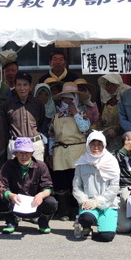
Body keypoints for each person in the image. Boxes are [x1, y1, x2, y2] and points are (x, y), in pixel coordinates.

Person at [0, 137, 58, 234]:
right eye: (20, 153)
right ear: (15, 154)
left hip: (35, 205)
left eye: (27, 152)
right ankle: (11, 220)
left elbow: (48, 187)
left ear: (32, 153)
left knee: (51, 202)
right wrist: (11, 195)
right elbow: (0, 185)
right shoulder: (8, 165)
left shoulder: (41, 166)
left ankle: (43, 221)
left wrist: (41, 195)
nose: (24, 156)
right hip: (15, 204)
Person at [48, 82, 90, 220]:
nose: (68, 101)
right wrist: (50, 153)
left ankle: (75, 209)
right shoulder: (56, 116)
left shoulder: (83, 114)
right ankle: (64, 210)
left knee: (76, 181)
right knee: (61, 182)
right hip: (60, 152)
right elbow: (52, 136)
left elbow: (84, 128)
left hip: (77, 151)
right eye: (65, 99)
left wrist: (75, 113)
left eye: (71, 98)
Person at [72, 131, 120, 242]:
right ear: (88, 145)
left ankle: (102, 226)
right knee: (86, 218)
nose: (96, 147)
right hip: (88, 202)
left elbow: (114, 187)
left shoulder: (112, 162)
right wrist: (83, 200)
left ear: (104, 145)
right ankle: (86, 226)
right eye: (93, 144)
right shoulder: (81, 163)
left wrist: (98, 202)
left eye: (99, 144)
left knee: (106, 237)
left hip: (108, 204)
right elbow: (77, 186)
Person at [1, 72, 46, 162]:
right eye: (19, 85)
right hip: (15, 144)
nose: (22, 88)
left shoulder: (38, 104)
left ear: (31, 87)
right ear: (15, 86)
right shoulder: (7, 105)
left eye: (25, 85)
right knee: (15, 174)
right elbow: (5, 128)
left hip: (35, 144)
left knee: (36, 173)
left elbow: (42, 124)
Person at [92, 74, 130, 152]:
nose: (109, 87)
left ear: (118, 85)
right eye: (107, 84)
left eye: (112, 84)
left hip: (119, 138)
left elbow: (126, 120)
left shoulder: (124, 100)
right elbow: (101, 118)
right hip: (104, 136)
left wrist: (114, 132)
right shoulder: (106, 101)